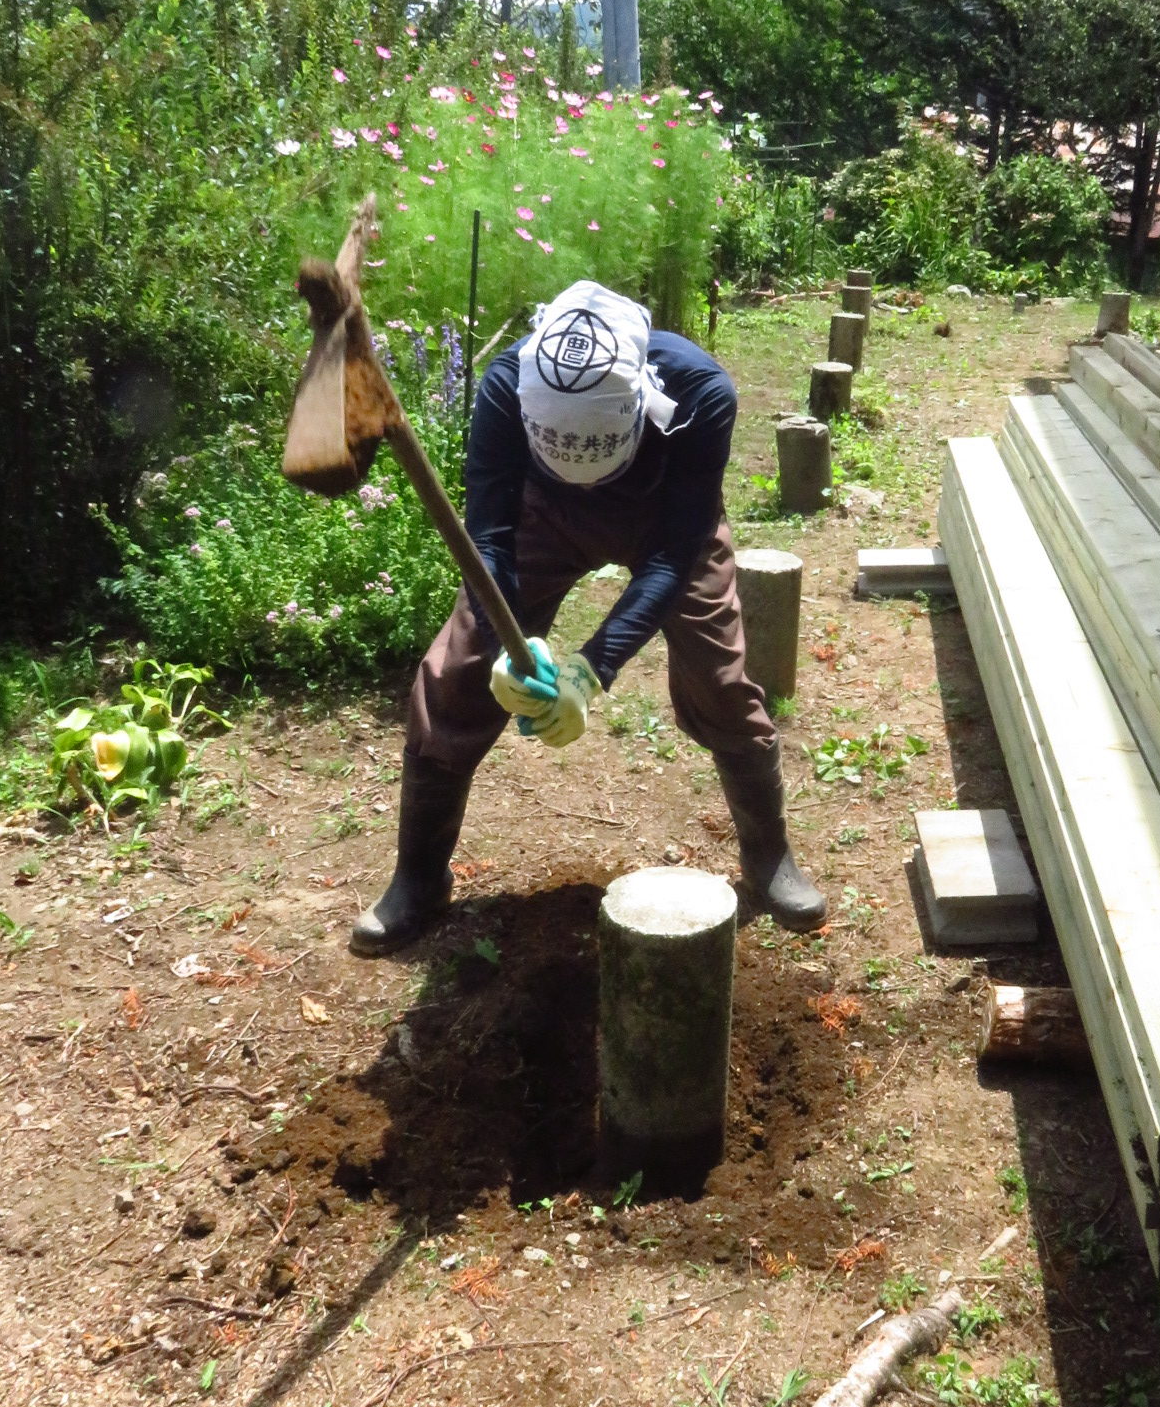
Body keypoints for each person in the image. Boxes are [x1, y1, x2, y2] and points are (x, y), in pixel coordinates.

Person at [351, 280, 827, 955]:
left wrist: (589, 670)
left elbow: (672, 558)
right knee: (456, 672)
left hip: (665, 519)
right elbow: (489, 538)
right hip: (544, 516)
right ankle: (418, 879)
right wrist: (505, 645)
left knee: (720, 678)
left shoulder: (700, 393)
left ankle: (769, 857)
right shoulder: (505, 386)